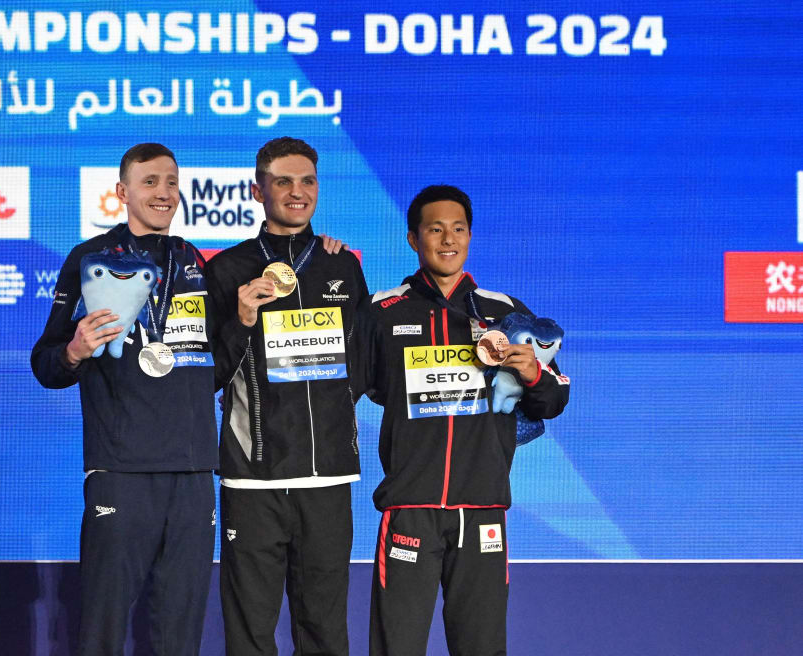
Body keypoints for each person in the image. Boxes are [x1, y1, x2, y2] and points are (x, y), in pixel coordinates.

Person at [355, 185, 571, 655]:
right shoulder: (382, 313)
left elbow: (553, 400)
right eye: (435, 229)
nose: (447, 239)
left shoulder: (506, 313)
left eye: (458, 229)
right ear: (413, 239)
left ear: (470, 235)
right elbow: (347, 390)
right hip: (411, 505)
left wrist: (532, 372)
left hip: (482, 508)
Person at [30, 143, 219, 656]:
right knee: (103, 632)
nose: (163, 192)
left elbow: (214, 365)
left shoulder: (195, 261)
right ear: (122, 192)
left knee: (181, 636)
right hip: (122, 473)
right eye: (150, 181)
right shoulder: (90, 260)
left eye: (171, 182)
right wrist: (75, 349)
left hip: (194, 474)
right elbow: (47, 364)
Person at [205, 137, 369, 655]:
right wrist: (243, 319)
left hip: (328, 477)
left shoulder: (341, 266)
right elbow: (206, 374)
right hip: (252, 476)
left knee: (324, 628)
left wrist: (334, 408)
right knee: (250, 631)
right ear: (258, 191)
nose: (297, 193)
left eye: (307, 181)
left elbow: (362, 362)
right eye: (283, 181)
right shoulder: (226, 270)